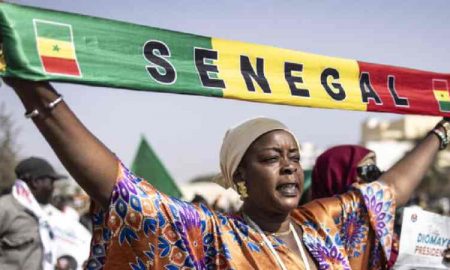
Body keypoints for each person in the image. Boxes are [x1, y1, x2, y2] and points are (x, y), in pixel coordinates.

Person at [4, 77, 449, 269]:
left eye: (293, 155)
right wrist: (36, 94)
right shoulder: (213, 239)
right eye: (272, 158)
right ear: (240, 179)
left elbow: (387, 190)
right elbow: (120, 189)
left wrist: (441, 134)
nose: (290, 165)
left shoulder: (321, 228)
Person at [311, 145, 399, 268]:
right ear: (337, 175)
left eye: (375, 171)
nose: (375, 180)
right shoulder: (313, 238)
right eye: (368, 170)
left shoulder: (377, 223)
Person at [0, 156, 66, 270]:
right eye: (51, 182)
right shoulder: (5, 207)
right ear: (35, 182)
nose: (53, 188)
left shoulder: (42, 214)